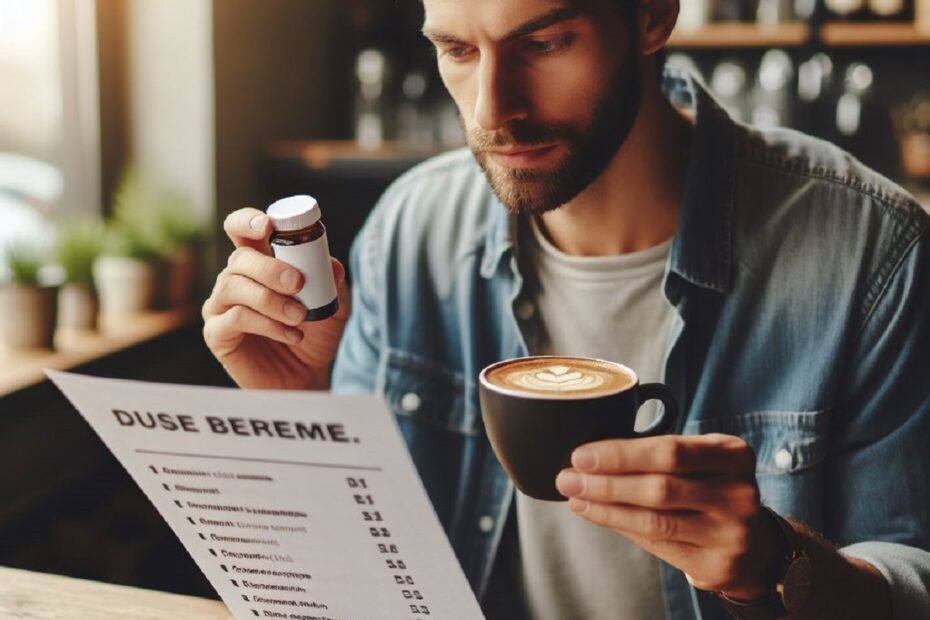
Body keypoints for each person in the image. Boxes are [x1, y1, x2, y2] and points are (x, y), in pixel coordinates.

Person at [202, 0, 930, 618]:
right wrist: (293, 407)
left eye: (543, 43)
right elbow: (359, 582)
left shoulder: (869, 251)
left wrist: (778, 563)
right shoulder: (409, 232)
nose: (492, 110)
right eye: (456, 50)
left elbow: (910, 584)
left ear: (651, 15)